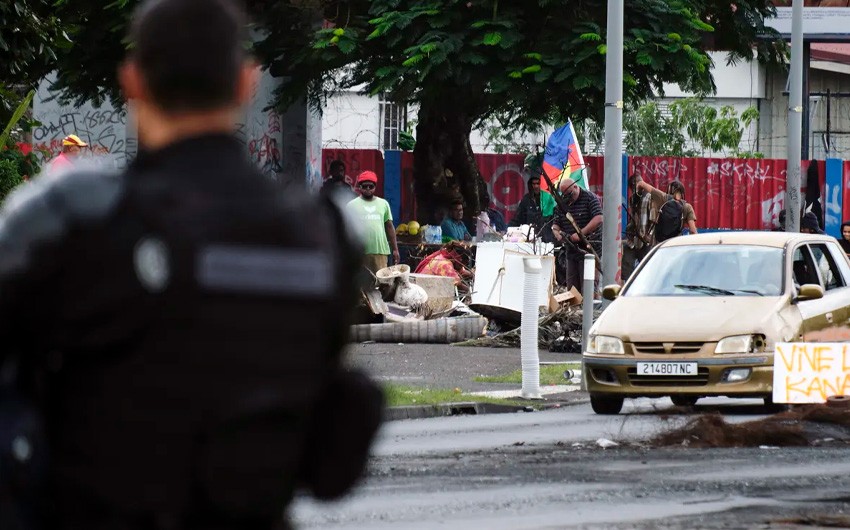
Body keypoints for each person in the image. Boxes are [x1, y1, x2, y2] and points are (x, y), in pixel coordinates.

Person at [0, 1, 383, 528]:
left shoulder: (70, 217)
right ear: (246, 83)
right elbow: (330, 454)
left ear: (132, 81)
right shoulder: (320, 236)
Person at [551, 177, 603, 293]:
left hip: (589, 249)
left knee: (589, 288)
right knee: (572, 289)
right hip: (571, 250)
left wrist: (581, 233)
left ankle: (591, 309)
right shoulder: (563, 203)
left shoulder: (590, 198)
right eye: (565, 194)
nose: (568, 197)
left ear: (575, 187)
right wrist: (557, 233)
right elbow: (556, 223)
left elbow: (599, 218)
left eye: (570, 194)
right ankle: (574, 309)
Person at [348, 169, 400, 273]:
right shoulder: (351, 205)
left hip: (380, 252)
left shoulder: (383, 204)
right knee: (360, 286)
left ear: (375, 187)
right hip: (359, 253)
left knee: (382, 284)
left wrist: (395, 249)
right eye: (364, 186)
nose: (368, 189)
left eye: (371, 186)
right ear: (359, 187)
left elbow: (389, 226)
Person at [509, 174, 555, 239]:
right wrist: (508, 229)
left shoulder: (548, 198)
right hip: (529, 236)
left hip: (546, 237)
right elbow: (518, 217)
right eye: (533, 184)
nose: (536, 186)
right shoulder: (526, 199)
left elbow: (554, 217)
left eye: (538, 183)